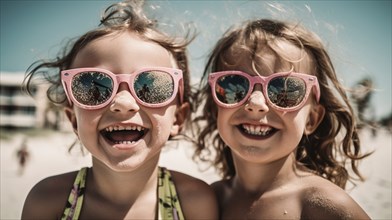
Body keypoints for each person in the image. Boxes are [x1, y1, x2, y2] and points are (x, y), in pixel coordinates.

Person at [21, 1, 218, 219]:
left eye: (151, 86)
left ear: (178, 119)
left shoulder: (194, 202)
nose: (123, 103)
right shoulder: (47, 201)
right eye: (93, 86)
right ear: (74, 120)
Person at [193, 18, 371, 219]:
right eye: (235, 85)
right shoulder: (208, 200)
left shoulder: (325, 207)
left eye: (284, 90)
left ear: (312, 119)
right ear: (215, 108)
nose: (256, 103)